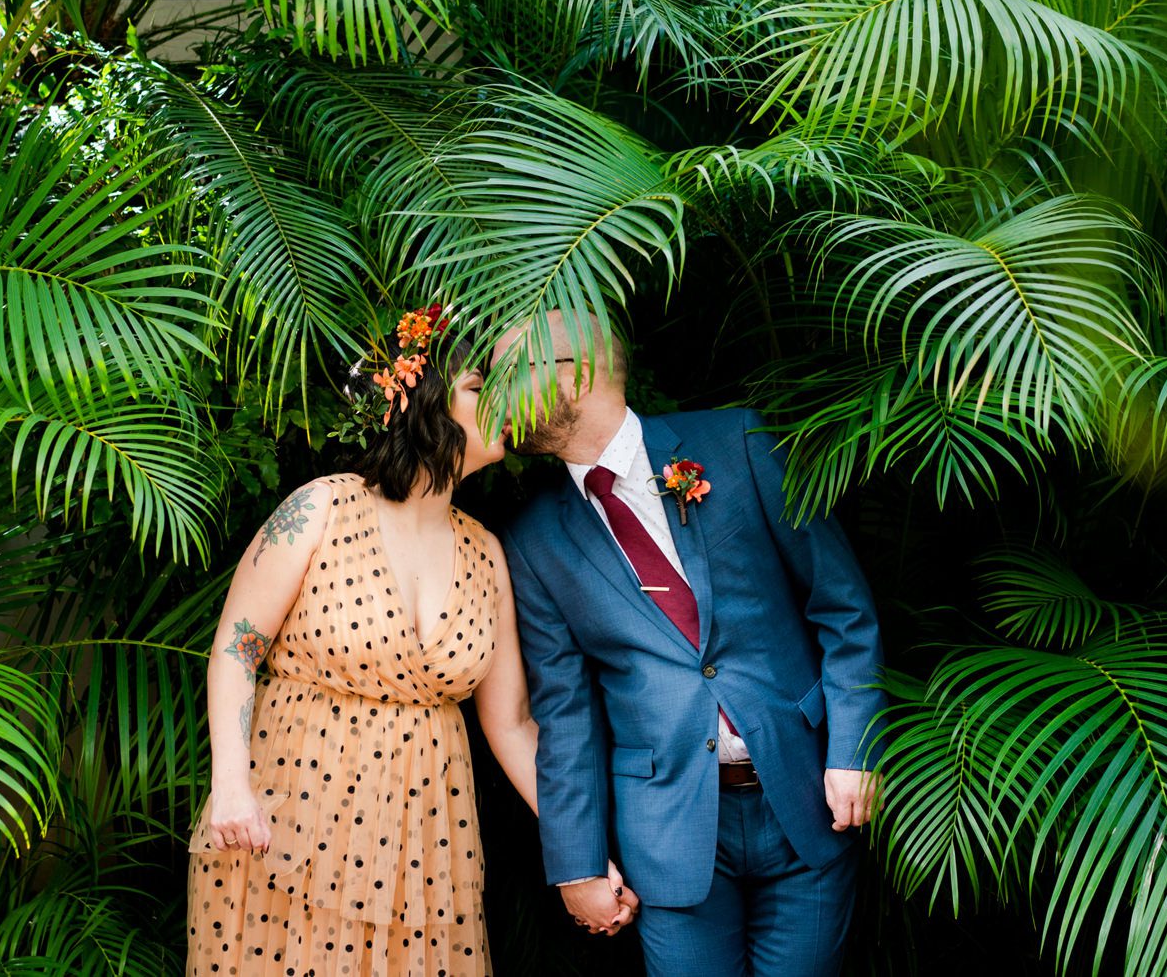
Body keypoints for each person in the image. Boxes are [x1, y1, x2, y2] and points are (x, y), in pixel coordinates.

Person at [186, 305, 637, 976]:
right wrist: (229, 784)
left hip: (424, 853)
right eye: (484, 384)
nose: (510, 401)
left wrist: (582, 849)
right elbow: (235, 648)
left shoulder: (487, 554)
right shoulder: (322, 508)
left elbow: (512, 725)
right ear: (427, 396)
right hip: (287, 828)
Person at [495, 312, 886, 977]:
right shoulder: (534, 543)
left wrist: (854, 746)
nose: (498, 401)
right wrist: (577, 862)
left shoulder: (739, 441)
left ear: (576, 374)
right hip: (668, 832)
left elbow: (843, 607)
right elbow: (564, 715)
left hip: (806, 800)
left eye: (511, 377)